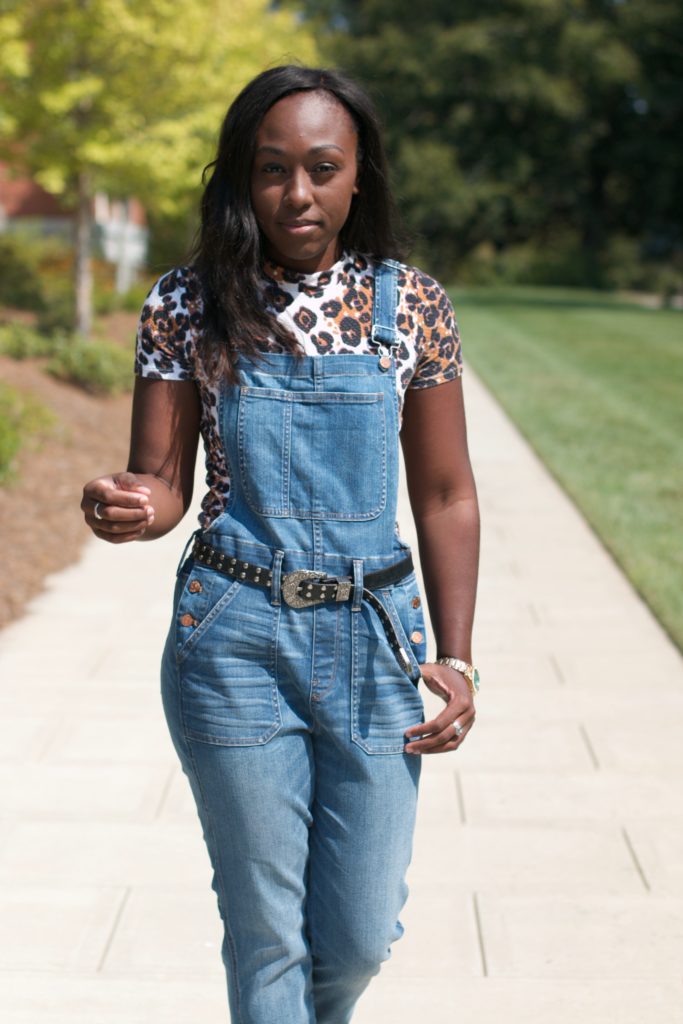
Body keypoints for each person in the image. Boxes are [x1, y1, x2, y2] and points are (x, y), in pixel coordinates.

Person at [81, 65, 480, 1024]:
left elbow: (444, 492)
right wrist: (129, 504)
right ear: (240, 179)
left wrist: (457, 654)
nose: (295, 193)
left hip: (374, 638)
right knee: (266, 930)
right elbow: (164, 483)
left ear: (356, 179)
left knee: (356, 934)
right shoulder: (188, 302)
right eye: (270, 170)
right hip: (233, 634)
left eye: (320, 168)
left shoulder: (408, 306)